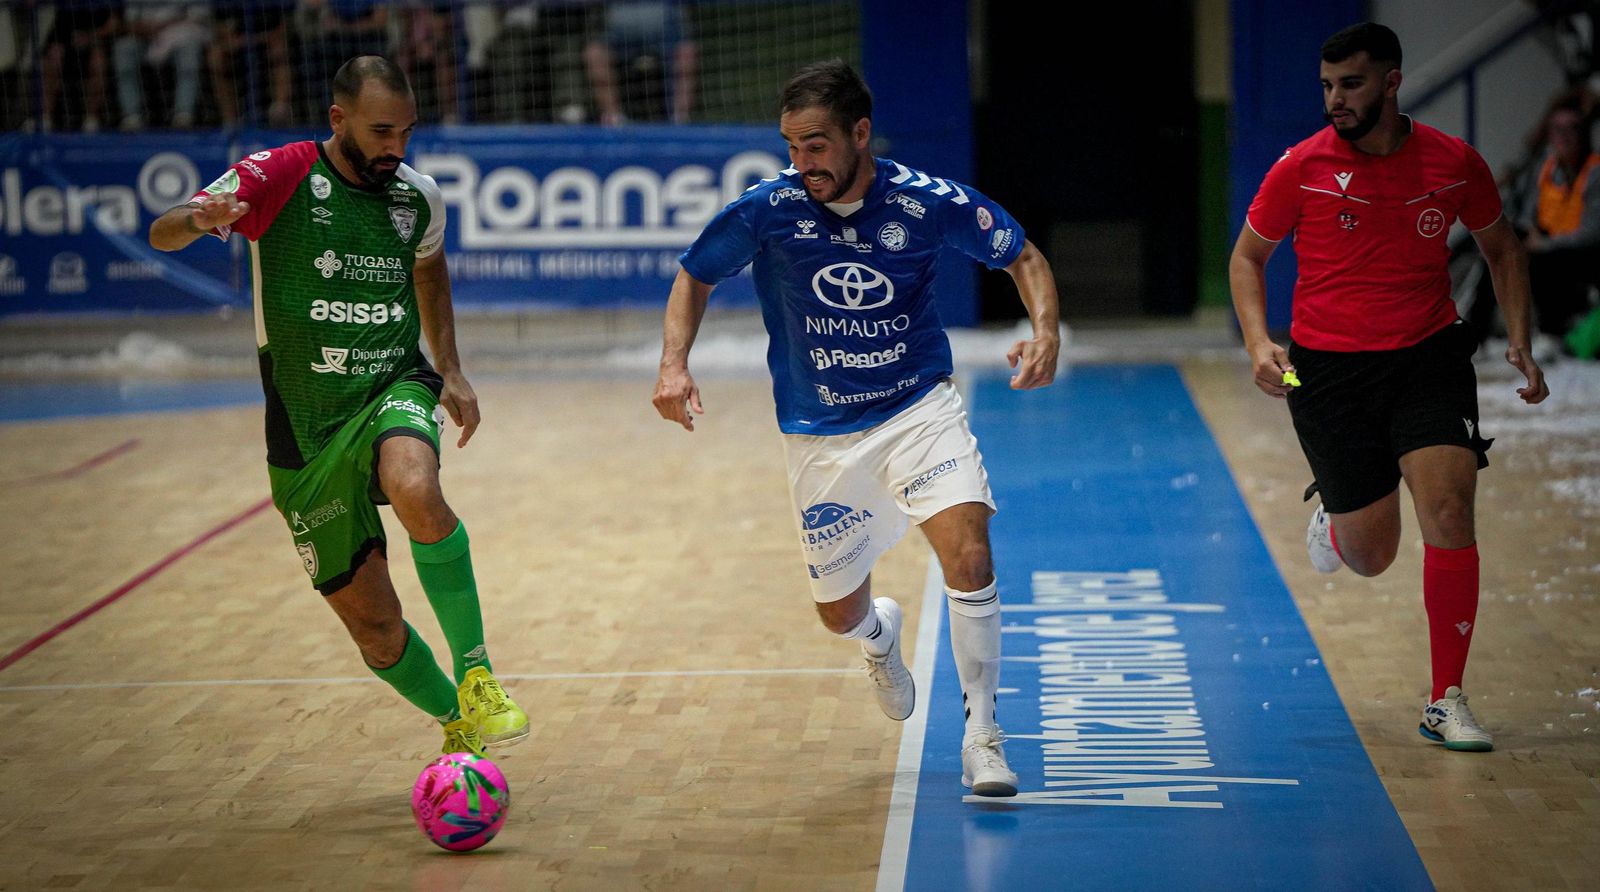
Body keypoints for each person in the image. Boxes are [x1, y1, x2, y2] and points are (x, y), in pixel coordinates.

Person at [652, 60, 1061, 797]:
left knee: (969, 554)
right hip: (821, 433)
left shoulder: (924, 200)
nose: (800, 163)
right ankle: (879, 637)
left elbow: (1021, 255)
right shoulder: (768, 207)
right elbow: (695, 274)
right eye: (790, 146)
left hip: (917, 411)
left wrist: (1046, 330)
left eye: (815, 145)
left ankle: (983, 737)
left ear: (859, 134)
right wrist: (674, 364)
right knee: (838, 613)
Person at [147, 56, 527, 758]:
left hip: (391, 382)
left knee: (416, 485)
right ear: (338, 119)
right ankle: (456, 719)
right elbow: (161, 233)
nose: (397, 149)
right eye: (383, 132)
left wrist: (449, 368)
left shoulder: (418, 197)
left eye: (407, 132)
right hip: (304, 428)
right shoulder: (278, 174)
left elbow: (430, 269)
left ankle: (478, 674)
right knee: (376, 630)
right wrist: (201, 219)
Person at [1229, 23, 1549, 753]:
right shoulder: (1299, 167)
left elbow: (1503, 250)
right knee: (1373, 555)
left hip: (1426, 357)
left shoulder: (1453, 162)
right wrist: (1257, 341)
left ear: (1393, 82)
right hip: (1329, 372)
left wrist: (1522, 344)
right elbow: (1248, 258)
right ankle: (1339, 518)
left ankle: (1447, 698)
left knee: (1448, 503)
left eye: (1352, 84)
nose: (1335, 100)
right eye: (1327, 87)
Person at [582, 1, 696, 124]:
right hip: (617, 36)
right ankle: (614, 120)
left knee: (687, 52)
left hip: (666, 34)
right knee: (594, 54)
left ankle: (679, 119)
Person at [112, 2, 209, 129]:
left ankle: (183, 114)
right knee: (123, 48)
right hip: (144, 37)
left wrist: (165, 26)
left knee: (189, 52)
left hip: (180, 38)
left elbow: (198, 16)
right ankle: (132, 116)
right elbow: (130, 22)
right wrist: (146, 29)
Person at [208, 0, 296, 128]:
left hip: (265, 42)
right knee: (215, 58)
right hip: (237, 46)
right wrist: (233, 41)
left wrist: (251, 41)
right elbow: (220, 29)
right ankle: (230, 120)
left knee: (279, 50)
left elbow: (281, 29)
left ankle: (280, 110)